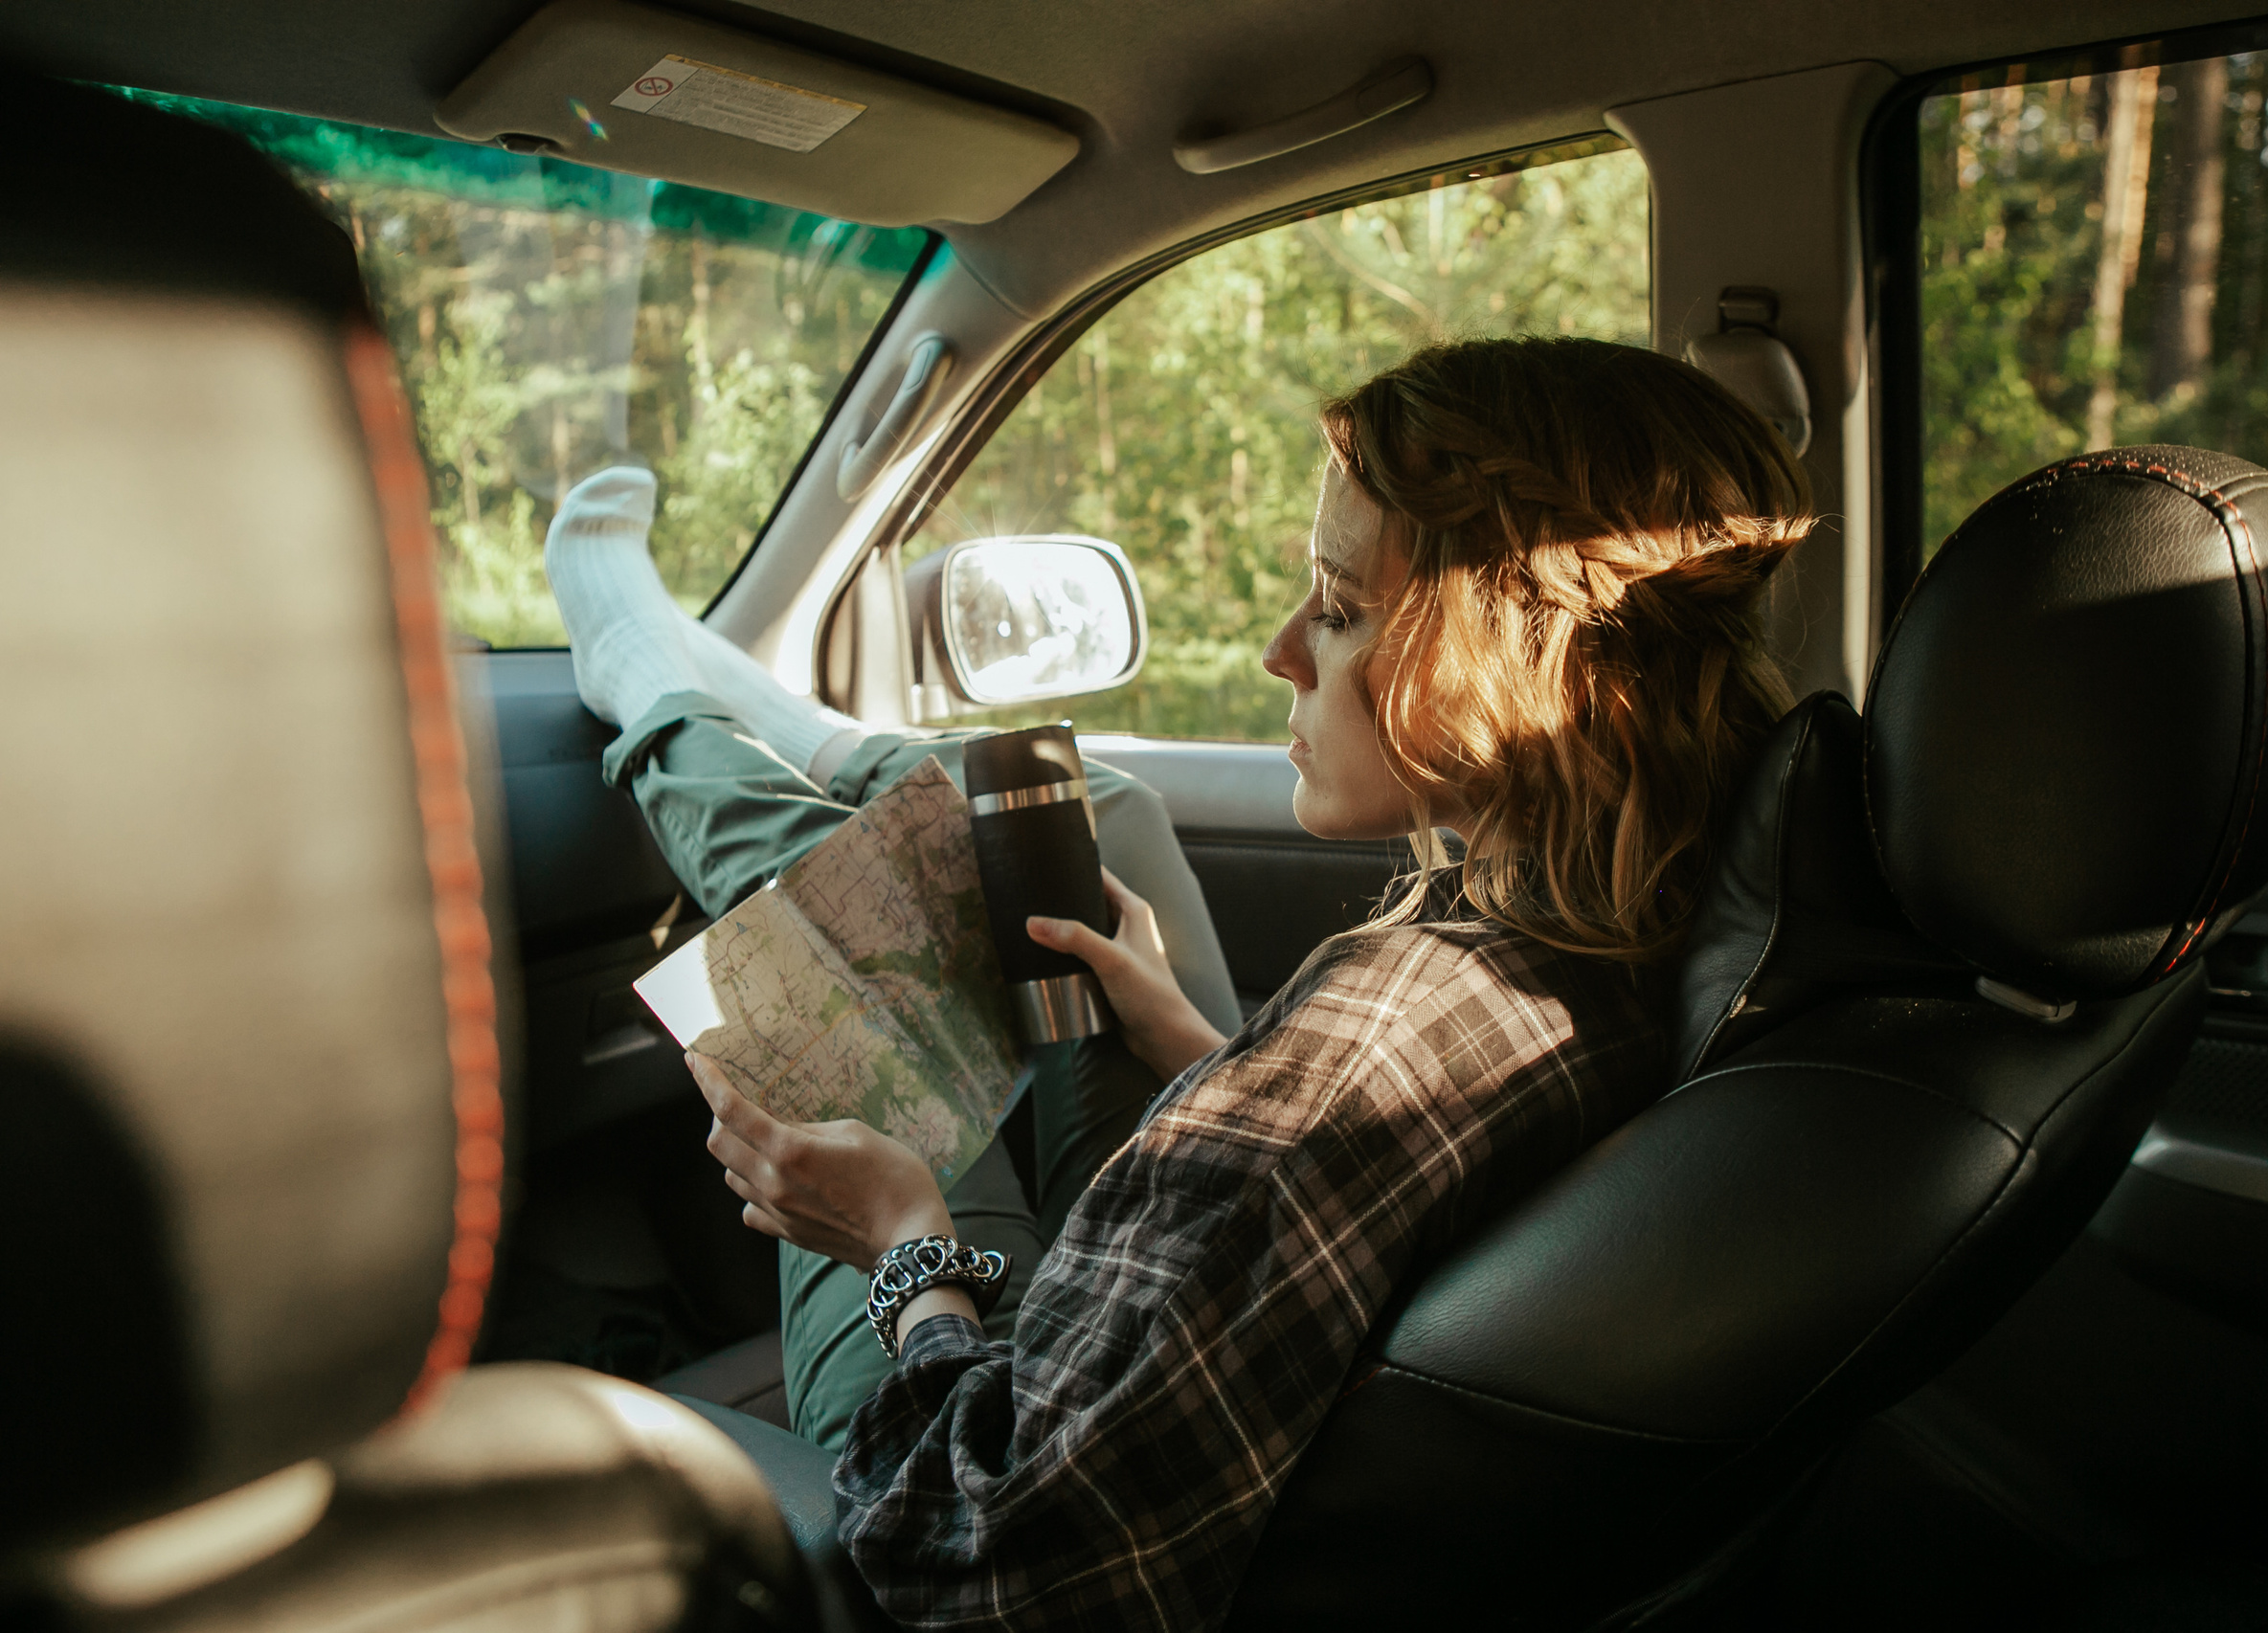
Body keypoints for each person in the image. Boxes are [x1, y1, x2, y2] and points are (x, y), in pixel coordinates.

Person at [551, 334, 1809, 1630]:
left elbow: (991, 1558)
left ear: (1495, 645)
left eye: (1333, 606)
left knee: (832, 908)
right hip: (1174, 1372)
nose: (1281, 648)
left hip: (978, 1440)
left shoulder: (1369, 1049)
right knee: (1093, 809)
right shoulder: (1652, 923)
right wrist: (1208, 1052)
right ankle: (787, 719)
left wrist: (903, 1244)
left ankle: (643, 678)